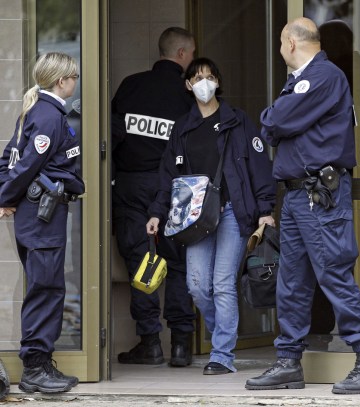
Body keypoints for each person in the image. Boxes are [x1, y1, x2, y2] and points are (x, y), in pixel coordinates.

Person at [245, 17, 360, 395]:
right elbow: (276, 126)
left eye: (279, 44)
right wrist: (278, 121)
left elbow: (275, 121)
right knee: (292, 282)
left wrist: (278, 119)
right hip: (295, 194)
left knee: (334, 273)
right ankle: (288, 363)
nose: (279, 51)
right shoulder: (303, 80)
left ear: (290, 43)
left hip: (317, 194)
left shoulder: (322, 76)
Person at [146, 57, 276, 375]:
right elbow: (169, 177)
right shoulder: (183, 127)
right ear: (188, 85)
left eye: (209, 76)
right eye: (197, 77)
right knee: (198, 286)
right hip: (195, 217)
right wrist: (157, 213)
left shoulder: (237, 121)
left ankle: (222, 355)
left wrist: (265, 211)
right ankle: (224, 332)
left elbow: (258, 168)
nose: (204, 82)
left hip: (234, 211)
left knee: (222, 283)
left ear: (217, 81)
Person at [111, 27, 197, 367]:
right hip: (174, 189)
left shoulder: (130, 86)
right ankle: (180, 345)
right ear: (181, 55)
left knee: (141, 264)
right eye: (191, 55)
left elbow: (112, 135)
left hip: (132, 187)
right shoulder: (186, 95)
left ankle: (149, 342)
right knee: (176, 264)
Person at [0, 52, 85, 393]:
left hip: (35, 217)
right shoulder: (49, 115)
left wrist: (5, 195)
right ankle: (35, 368)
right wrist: (4, 197)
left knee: (44, 287)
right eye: (73, 77)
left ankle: (39, 363)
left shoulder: (34, 111)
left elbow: (8, 158)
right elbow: (24, 165)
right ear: (61, 80)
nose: (75, 82)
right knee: (46, 289)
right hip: (41, 218)